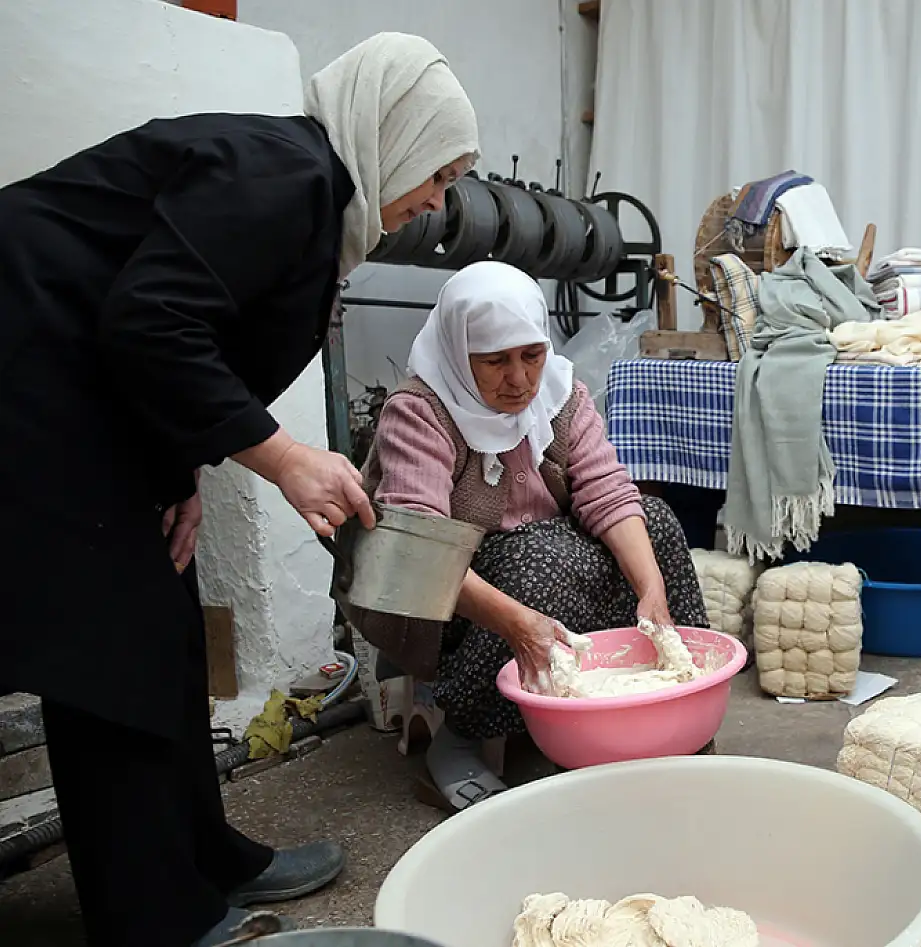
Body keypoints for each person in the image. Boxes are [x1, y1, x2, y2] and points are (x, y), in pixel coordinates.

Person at [0, 33, 479, 947]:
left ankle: (203, 850)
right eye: (440, 173)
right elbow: (149, 322)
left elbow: (177, 334)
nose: (435, 202)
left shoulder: (309, 196)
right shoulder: (281, 173)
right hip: (25, 374)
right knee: (109, 649)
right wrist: (286, 456)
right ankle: (155, 917)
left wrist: (176, 465)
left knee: (170, 617)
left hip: (80, 384)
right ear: (398, 136)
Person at [356, 261, 708, 811]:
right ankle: (459, 736)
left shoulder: (561, 395)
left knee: (653, 520)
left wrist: (651, 590)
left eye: (531, 355)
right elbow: (415, 555)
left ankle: (667, 695)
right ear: (458, 352)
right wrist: (521, 627)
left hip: (540, 566)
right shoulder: (421, 412)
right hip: (442, 600)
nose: (519, 380)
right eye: (495, 361)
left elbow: (606, 492)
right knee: (534, 560)